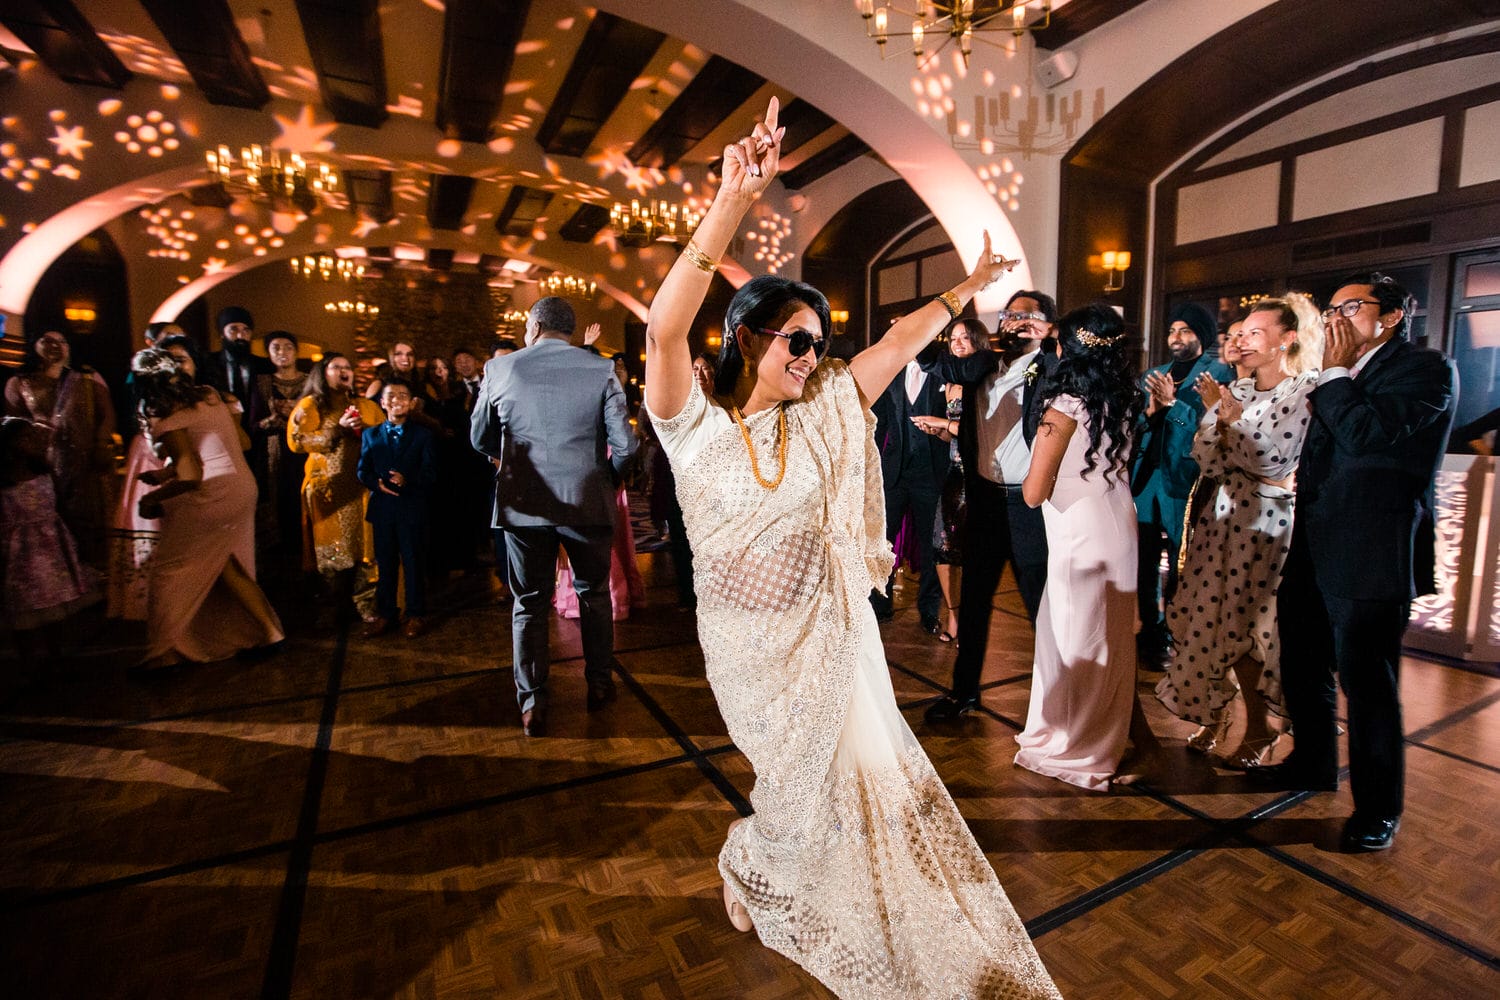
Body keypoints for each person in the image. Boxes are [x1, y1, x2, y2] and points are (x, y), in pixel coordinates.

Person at [643, 98, 1056, 998]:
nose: (809, 356)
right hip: (746, 651)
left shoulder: (826, 409)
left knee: (852, 783)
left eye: (818, 344)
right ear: (748, 334)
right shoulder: (695, 429)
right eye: (795, 340)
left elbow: (899, 341)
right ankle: (751, 855)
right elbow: (663, 331)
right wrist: (731, 203)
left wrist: (967, 283)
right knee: (789, 788)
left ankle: (777, 865)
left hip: (829, 635)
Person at [1250, 273, 1458, 854]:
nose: (1336, 317)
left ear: (1389, 317)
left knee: (1368, 685)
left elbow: (1368, 434)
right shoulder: (1336, 375)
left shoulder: (1426, 369)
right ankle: (1312, 763)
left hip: (1372, 550)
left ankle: (1377, 810)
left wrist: (1335, 374)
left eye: (1351, 306)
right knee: (1303, 663)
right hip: (1315, 541)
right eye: (1331, 307)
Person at [1155, 294, 1324, 767]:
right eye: (1239, 333)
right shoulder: (1242, 389)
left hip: (1265, 521)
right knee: (1208, 621)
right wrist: (1219, 413)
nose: (1241, 341)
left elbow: (1271, 461)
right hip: (1221, 513)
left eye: (1254, 333)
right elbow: (1207, 458)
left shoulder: (1303, 389)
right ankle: (1217, 714)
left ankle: (1260, 727)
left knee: (1249, 629)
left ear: (1286, 340)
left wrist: (1232, 418)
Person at [471, 297, 638, 738]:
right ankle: (599, 685)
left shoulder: (500, 369)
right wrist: (608, 482)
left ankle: (532, 702)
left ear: (535, 323)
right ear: (568, 328)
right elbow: (626, 445)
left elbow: (479, 436)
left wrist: (513, 462)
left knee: (529, 604)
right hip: (586, 500)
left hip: (524, 503)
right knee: (594, 596)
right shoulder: (600, 368)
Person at [1014, 304, 1144, 790]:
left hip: (1079, 531)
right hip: (1118, 520)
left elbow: (1031, 493)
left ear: (1065, 349)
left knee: (1074, 638)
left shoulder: (1064, 408)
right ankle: (1097, 735)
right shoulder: (1123, 398)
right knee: (1104, 638)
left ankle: (1075, 747)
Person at [921, 294, 1056, 722]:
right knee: (975, 601)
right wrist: (938, 311)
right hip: (984, 501)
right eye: (1010, 315)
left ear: (1048, 328)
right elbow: (926, 355)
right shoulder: (980, 365)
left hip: (1029, 504)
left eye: (1028, 317)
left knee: (1041, 607)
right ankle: (964, 693)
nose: (1016, 323)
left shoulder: (1053, 371)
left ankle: (1056, 702)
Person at [130, 348, 284, 670]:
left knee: (168, 571)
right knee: (226, 565)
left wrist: (152, 498)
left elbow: (191, 474)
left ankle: (163, 654)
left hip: (212, 494)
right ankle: (270, 633)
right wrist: (164, 473)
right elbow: (228, 446)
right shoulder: (210, 395)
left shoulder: (162, 407)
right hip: (242, 486)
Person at [1131, 302, 1234, 668]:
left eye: (1186, 331)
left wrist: (1174, 404)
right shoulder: (1155, 372)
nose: (1177, 337)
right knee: (1142, 563)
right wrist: (1151, 413)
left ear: (1202, 337)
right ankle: (1151, 633)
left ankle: (1179, 633)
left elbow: (1213, 427)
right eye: (1173, 330)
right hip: (1146, 481)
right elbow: (1138, 427)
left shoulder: (1219, 374)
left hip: (1185, 482)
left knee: (1181, 561)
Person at [108, 334, 205, 621]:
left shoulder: (184, 400)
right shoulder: (153, 403)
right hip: (152, 456)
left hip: (173, 460)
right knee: (152, 525)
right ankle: (149, 599)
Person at [4, 329, 117, 568]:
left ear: (69, 348)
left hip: (84, 459)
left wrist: (100, 443)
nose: (54, 345)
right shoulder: (19, 382)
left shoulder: (86, 378)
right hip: (42, 461)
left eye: (61, 341)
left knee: (88, 515)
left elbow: (106, 415)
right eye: (46, 340)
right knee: (53, 517)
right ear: (35, 345)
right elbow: (14, 424)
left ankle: (94, 571)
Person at [287, 353, 385, 622]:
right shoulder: (310, 406)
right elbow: (296, 442)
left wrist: (363, 430)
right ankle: (331, 607)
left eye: (348, 367)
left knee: (365, 547)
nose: (344, 371)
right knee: (331, 552)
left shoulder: (365, 405)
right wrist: (336, 431)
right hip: (327, 490)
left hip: (360, 488)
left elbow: (384, 437)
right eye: (336, 367)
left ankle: (366, 603)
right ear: (323, 373)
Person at [1, 417, 100, 679]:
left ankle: (57, 655)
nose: (34, 442)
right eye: (27, 438)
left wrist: (77, 537)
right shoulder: (5, 484)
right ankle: (28, 662)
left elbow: (60, 509)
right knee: (24, 610)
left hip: (50, 548)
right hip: (19, 555)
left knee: (53, 605)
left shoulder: (44, 474)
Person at [909, 317, 979, 643]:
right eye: (953, 338)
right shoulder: (949, 381)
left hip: (981, 475)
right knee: (942, 547)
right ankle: (953, 615)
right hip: (953, 472)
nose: (958, 343)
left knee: (974, 552)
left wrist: (943, 422)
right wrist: (938, 431)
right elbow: (955, 438)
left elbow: (981, 432)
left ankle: (970, 619)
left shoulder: (986, 380)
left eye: (965, 337)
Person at [356, 380, 438, 638]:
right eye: (391, 396)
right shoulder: (371, 434)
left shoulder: (423, 435)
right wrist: (375, 483)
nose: (397, 400)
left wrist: (408, 480)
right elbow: (362, 469)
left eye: (404, 395)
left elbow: (431, 472)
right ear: (382, 402)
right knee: (386, 563)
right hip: (383, 508)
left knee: (413, 562)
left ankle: (415, 614)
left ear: (412, 402)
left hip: (412, 507)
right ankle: (386, 613)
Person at [250, 331, 309, 556]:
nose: (282, 352)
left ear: (296, 352)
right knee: (277, 502)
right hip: (273, 452)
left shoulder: (309, 381)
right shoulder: (262, 383)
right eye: (276, 348)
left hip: (304, 450)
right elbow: (252, 424)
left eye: (288, 347)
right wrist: (270, 421)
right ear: (268, 353)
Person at [202, 306, 272, 425]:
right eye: (233, 329)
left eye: (246, 330)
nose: (240, 336)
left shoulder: (265, 365)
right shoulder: (207, 364)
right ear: (222, 334)